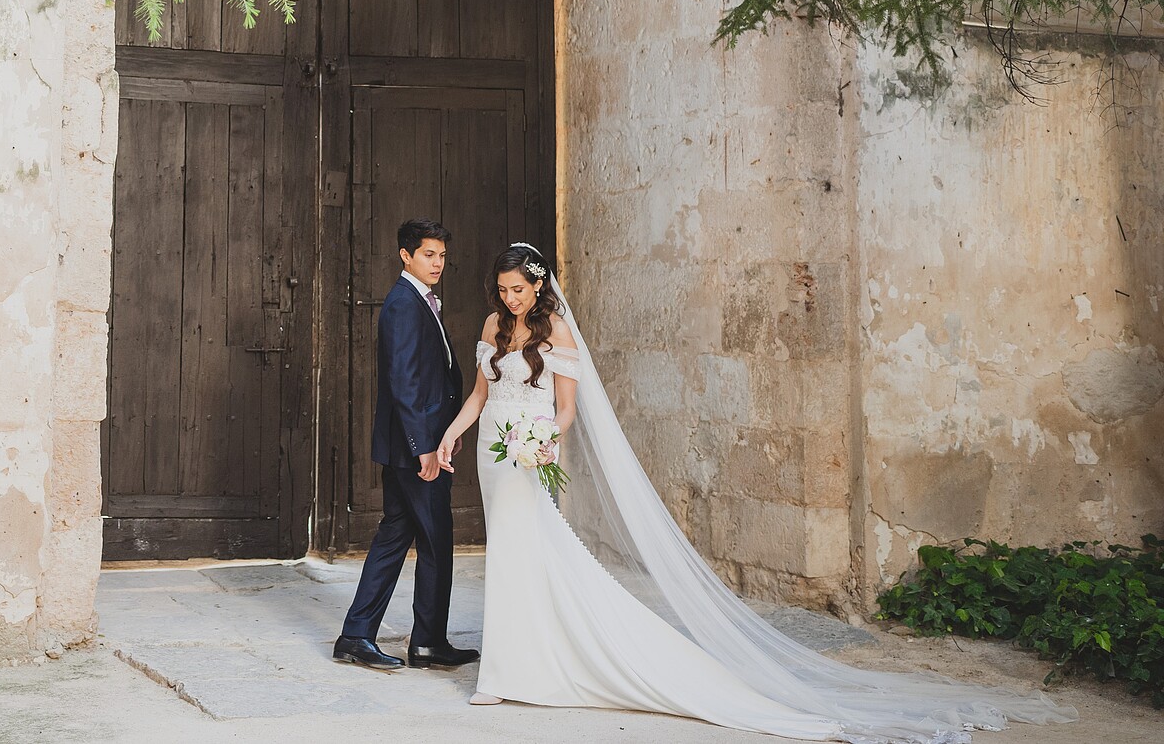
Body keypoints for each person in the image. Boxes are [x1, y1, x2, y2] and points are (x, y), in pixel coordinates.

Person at [435, 242, 1075, 741]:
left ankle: (512, 672)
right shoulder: (493, 325)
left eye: (518, 289)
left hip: (530, 452)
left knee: (530, 554)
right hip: (495, 455)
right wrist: (449, 437)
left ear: (539, 285)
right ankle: (514, 664)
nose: (509, 299)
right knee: (513, 559)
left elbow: (567, 408)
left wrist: (547, 438)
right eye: (502, 290)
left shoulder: (560, 334)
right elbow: (481, 393)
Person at [333, 219, 479, 672]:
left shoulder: (419, 300)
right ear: (405, 255)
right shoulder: (402, 303)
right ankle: (429, 643)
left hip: (412, 444)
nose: (437, 263)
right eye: (428, 255)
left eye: (441, 256)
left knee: (396, 535)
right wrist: (425, 449)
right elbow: (404, 382)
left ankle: (356, 635)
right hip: (418, 449)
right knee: (436, 540)